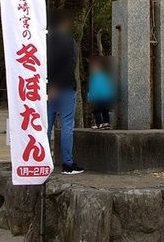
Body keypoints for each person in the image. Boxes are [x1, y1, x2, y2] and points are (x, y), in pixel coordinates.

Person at [47, 10, 84, 174]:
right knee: (67, 125)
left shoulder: (45, 41)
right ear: (63, 24)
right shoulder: (69, 41)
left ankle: (43, 159)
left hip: (47, 89)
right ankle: (67, 163)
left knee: (45, 125)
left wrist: (50, 85)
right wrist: (59, 84)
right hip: (66, 87)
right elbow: (70, 65)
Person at [86, 55, 115, 129]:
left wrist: (90, 96)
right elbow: (108, 86)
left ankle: (101, 123)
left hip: (98, 97)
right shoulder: (104, 76)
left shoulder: (95, 77)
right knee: (104, 110)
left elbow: (93, 88)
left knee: (97, 111)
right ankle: (105, 123)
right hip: (105, 96)